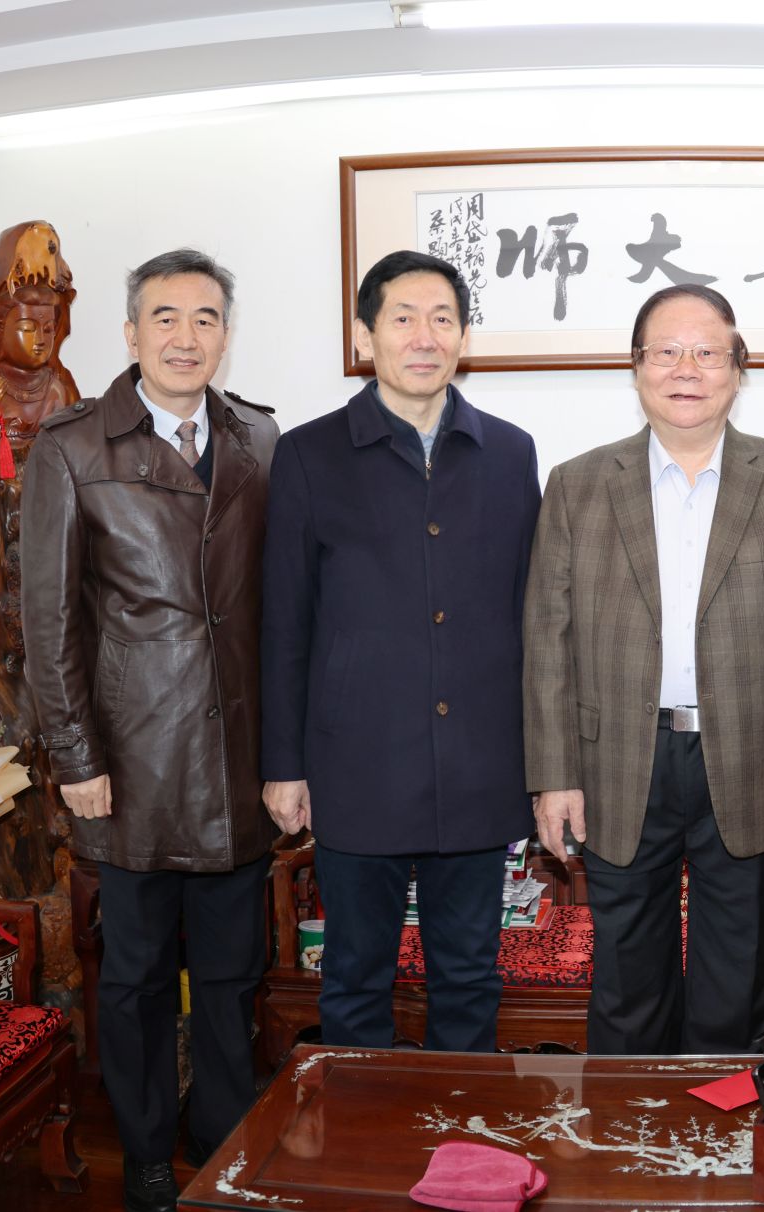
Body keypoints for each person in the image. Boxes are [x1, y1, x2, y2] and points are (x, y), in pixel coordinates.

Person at [522, 284, 764, 1054]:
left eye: (708, 352)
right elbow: (547, 641)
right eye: (666, 351)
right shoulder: (577, 485)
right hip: (616, 759)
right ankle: (634, 1123)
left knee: (739, 971)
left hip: (750, 759)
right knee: (627, 978)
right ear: (636, 367)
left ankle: (733, 1121)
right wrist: (553, 776)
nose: (686, 369)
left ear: (739, 369)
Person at [23, 249, 277, 1212]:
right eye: (165, 317)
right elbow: (48, 622)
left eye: (205, 318)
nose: (185, 336)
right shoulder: (72, 448)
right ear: (131, 333)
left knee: (232, 975)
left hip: (238, 759)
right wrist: (75, 757)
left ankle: (221, 1139)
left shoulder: (259, 436)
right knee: (132, 979)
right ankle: (142, 1153)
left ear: (225, 335)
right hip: (128, 763)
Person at [259, 250, 540, 1055]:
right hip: (357, 764)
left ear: (463, 337)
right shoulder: (309, 455)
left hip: (479, 762)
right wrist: (284, 766)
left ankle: (464, 1122)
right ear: (365, 335)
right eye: (404, 318)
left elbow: (533, 615)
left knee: (470, 977)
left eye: (442, 319)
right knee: (355, 977)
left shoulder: (510, 453)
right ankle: (362, 1131)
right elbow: (285, 621)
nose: (425, 336)